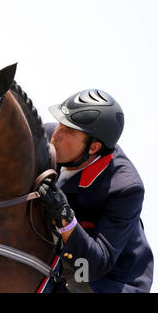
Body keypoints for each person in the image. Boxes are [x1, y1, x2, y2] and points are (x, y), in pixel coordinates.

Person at [38, 89, 153, 292]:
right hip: (61, 257)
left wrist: (65, 217)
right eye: (60, 124)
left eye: (70, 132)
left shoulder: (126, 188)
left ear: (93, 148)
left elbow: (94, 266)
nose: (56, 135)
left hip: (106, 281)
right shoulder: (46, 137)